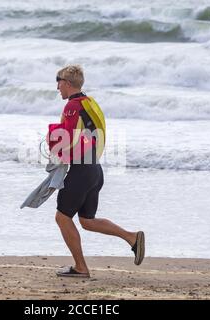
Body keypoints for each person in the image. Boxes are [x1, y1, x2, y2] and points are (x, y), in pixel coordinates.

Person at [48, 65, 145, 278]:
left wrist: (53, 149)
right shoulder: (91, 102)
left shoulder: (72, 106)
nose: (57, 87)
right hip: (94, 169)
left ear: (67, 83)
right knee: (87, 221)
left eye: (59, 81)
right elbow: (94, 135)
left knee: (62, 218)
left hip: (82, 170)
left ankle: (81, 268)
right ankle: (132, 237)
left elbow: (68, 137)